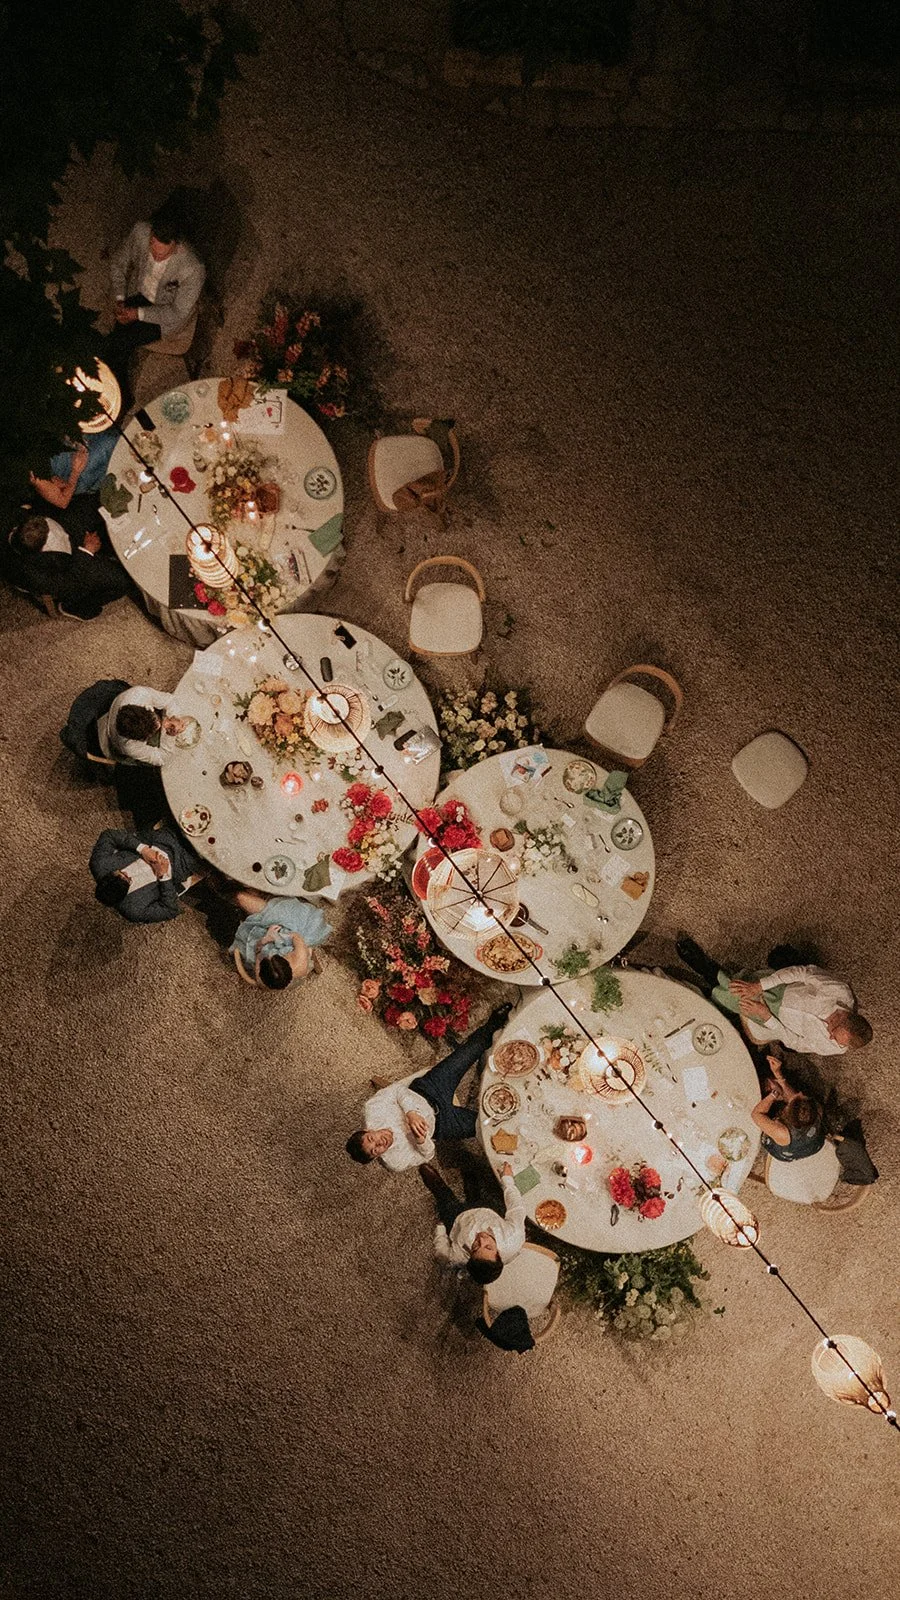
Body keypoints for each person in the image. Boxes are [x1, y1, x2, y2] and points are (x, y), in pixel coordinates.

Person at [345, 1005, 512, 1171]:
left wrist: (410, 1113)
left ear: (367, 1129)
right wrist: (421, 1140)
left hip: (430, 1088)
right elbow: (427, 1155)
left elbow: (397, 1090)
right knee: (491, 1125)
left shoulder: (373, 1108)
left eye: (372, 1138)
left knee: (468, 1052)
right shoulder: (395, 1162)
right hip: (443, 1124)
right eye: (376, 1150)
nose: (379, 1142)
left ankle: (493, 1024)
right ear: (376, 1156)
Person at [676, 936, 872, 1057]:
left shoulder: (836, 1046)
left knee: (731, 996)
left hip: (775, 1019)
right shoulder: (839, 992)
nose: (829, 1035)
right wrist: (758, 986)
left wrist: (766, 1016)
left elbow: (796, 1043)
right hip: (782, 989)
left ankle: (709, 978)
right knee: (740, 986)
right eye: (833, 1030)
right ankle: (705, 967)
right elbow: (802, 972)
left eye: (836, 1040)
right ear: (844, 1015)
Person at [106, 204, 205, 388]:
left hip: (165, 314)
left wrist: (138, 314)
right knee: (119, 336)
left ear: (177, 245)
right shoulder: (140, 232)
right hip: (140, 292)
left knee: (120, 341)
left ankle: (117, 389)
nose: (157, 259)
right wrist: (120, 298)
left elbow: (177, 313)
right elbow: (118, 264)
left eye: (163, 255)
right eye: (153, 250)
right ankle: (115, 382)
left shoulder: (193, 269)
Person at [6, 514, 130, 619]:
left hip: (66, 540)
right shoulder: (33, 574)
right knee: (122, 581)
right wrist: (87, 551)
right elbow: (70, 584)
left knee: (100, 516)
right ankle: (73, 607)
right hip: (68, 568)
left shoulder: (14, 519)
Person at [421, 1161, 526, 1285]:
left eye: (475, 1247)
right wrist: (507, 1180)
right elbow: (516, 1206)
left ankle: (437, 1185)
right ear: (498, 1253)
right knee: (475, 1195)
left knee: (445, 1198)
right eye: (488, 1247)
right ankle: (471, 1184)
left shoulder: (458, 1257)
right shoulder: (514, 1236)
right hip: (485, 1211)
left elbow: (442, 1253)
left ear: (469, 1256)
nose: (481, 1239)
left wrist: (440, 1229)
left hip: (457, 1219)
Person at [90, 825, 203, 924]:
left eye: (120, 872)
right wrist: (163, 876)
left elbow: (109, 835)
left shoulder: (99, 864)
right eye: (128, 879)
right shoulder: (134, 911)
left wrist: (143, 849)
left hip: (160, 841)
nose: (126, 873)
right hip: (181, 864)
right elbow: (170, 910)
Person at [230, 891, 331, 989]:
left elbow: (258, 951)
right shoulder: (299, 957)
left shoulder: (264, 969)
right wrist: (275, 936)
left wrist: (264, 940)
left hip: (273, 939)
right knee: (277, 914)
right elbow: (295, 936)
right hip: (294, 933)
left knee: (242, 898)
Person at [751, 1054, 827, 1163]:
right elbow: (792, 1097)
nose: (800, 1093)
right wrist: (778, 1075)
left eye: (799, 1096)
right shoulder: (815, 1107)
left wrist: (774, 1094)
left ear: (785, 1111)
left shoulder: (782, 1132)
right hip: (814, 1141)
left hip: (788, 1149)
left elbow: (756, 1114)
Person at [97, 685, 189, 766]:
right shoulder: (130, 747)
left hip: (113, 711)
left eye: (153, 717)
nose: (159, 725)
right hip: (110, 742)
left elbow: (170, 700)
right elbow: (161, 758)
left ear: (143, 707)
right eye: (151, 732)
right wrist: (169, 736)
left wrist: (174, 716)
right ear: (138, 739)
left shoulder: (139, 694)